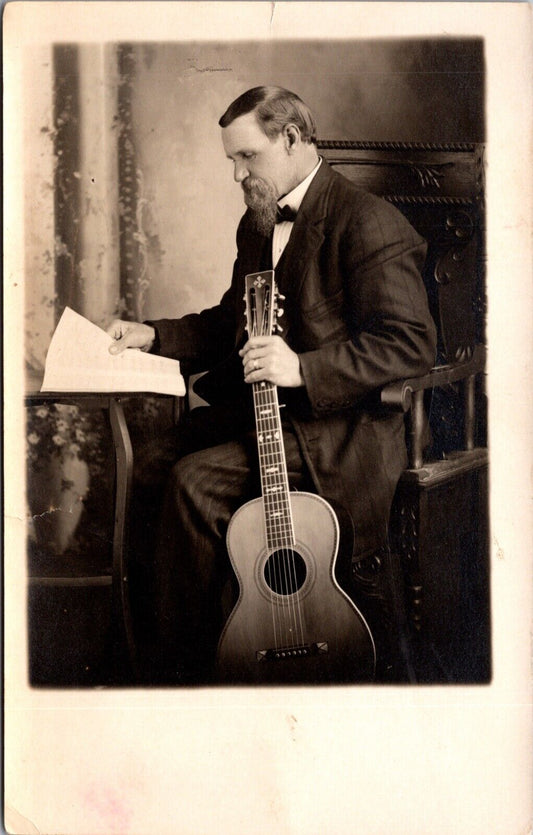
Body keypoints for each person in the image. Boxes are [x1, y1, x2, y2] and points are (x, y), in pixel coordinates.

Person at [107, 86, 437, 685]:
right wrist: (152, 335)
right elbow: (229, 321)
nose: (237, 174)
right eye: (231, 159)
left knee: (193, 485)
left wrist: (303, 369)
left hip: (338, 428)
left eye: (247, 158)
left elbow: (410, 343)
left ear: (291, 139)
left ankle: (194, 675)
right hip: (269, 413)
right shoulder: (258, 223)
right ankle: (158, 655)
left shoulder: (368, 222)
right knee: (151, 462)